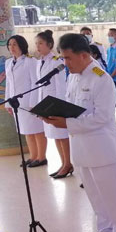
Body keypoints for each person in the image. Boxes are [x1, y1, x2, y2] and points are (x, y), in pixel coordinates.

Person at [45, 33, 116, 232]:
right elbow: (71, 106)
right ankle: (105, 229)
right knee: (94, 193)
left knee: (112, 193)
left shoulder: (101, 79)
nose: (65, 63)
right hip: (81, 147)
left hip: (101, 148)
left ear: (84, 55)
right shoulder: (73, 76)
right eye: (63, 58)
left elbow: (101, 118)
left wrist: (67, 123)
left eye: (68, 58)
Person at [34, 30, 73, 178]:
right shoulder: (40, 62)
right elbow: (40, 86)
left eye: (41, 43)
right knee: (55, 136)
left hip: (55, 104)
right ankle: (63, 163)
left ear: (49, 45)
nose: (38, 46)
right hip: (45, 105)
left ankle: (68, 163)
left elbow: (60, 87)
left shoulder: (57, 61)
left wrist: (59, 107)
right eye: (36, 43)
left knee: (62, 136)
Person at [5, 34, 45, 166]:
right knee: (26, 130)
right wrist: (8, 102)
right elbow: (9, 84)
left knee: (37, 130)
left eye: (15, 44)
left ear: (22, 45)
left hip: (30, 102)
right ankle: (33, 156)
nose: (12, 47)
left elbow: (36, 83)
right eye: (10, 45)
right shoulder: (8, 63)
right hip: (17, 103)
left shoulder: (30, 61)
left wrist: (34, 103)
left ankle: (41, 157)